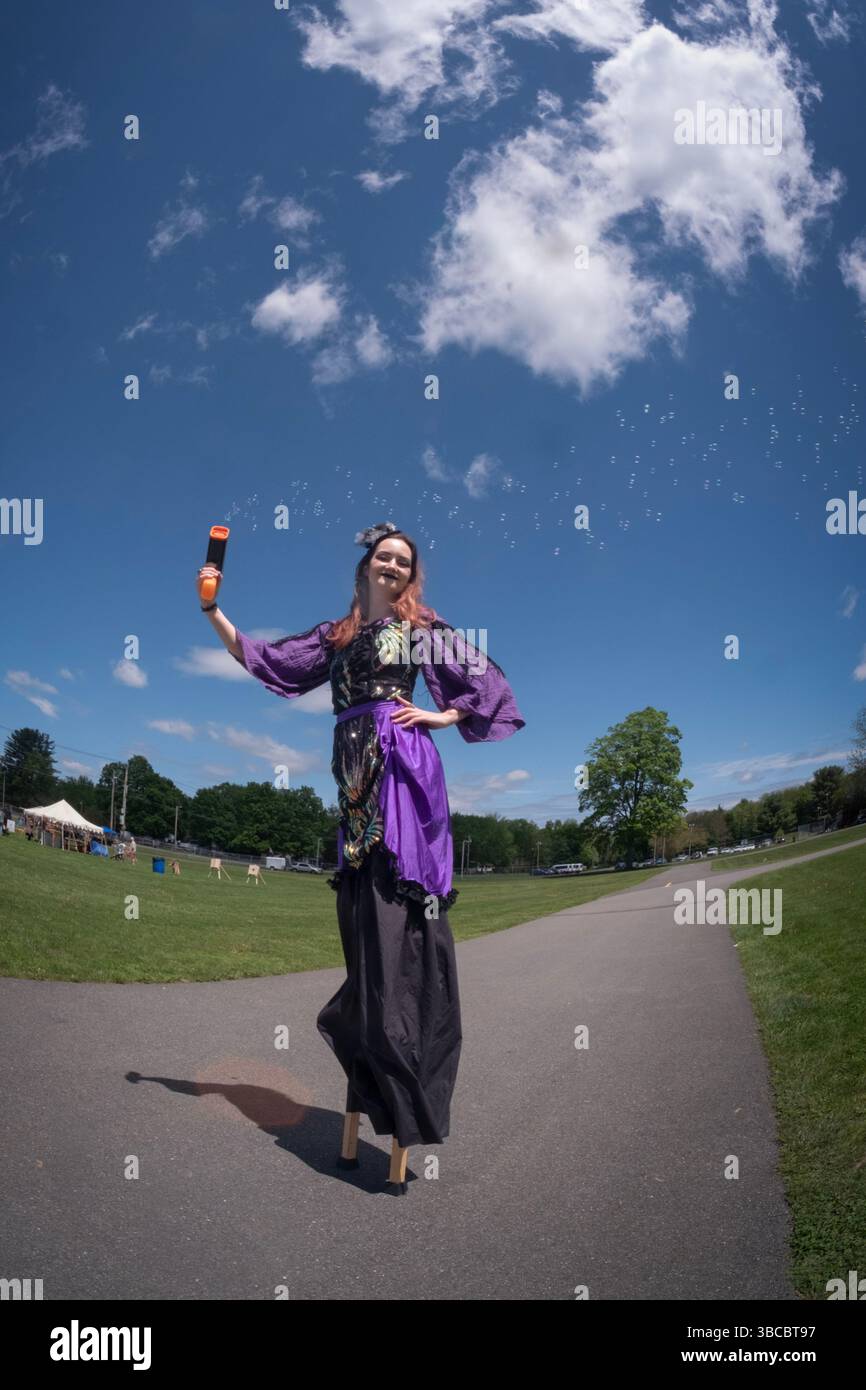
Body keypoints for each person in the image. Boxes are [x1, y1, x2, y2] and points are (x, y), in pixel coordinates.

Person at [198, 521, 524, 1190]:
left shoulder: (420, 629)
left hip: (404, 779)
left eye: (404, 562)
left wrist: (440, 716)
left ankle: (408, 1098)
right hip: (353, 794)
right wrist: (212, 610)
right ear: (365, 567)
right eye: (384, 558)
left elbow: (486, 685)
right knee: (364, 946)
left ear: (412, 575)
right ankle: (372, 1074)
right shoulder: (336, 636)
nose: (394, 568)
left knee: (397, 937)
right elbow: (268, 662)